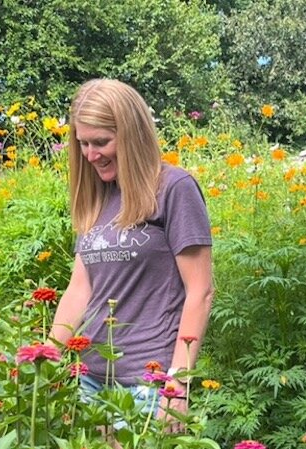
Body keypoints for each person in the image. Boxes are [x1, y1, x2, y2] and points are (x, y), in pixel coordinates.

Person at [48, 78, 213, 431]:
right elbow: (80, 291)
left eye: (102, 142)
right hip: (89, 380)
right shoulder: (97, 197)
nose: (91, 155)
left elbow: (200, 292)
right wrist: (45, 362)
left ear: (132, 134)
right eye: (83, 144)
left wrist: (178, 384)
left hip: (147, 385)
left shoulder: (174, 189)